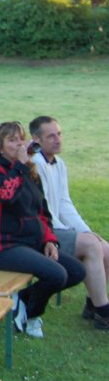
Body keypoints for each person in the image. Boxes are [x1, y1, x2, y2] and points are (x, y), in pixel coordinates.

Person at [0, 121, 85, 338]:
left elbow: (42, 211)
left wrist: (49, 240)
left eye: (21, 139)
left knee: (76, 271)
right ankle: (32, 316)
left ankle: (23, 301)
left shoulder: (28, 172)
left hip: (28, 242)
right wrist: (21, 166)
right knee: (56, 274)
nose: (19, 144)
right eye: (12, 140)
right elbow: (7, 194)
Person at [29, 115, 109, 331]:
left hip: (59, 228)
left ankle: (93, 305)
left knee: (104, 248)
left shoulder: (59, 164)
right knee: (91, 246)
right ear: (36, 139)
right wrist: (77, 235)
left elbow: (65, 204)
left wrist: (86, 231)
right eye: (51, 136)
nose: (58, 139)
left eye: (59, 134)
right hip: (45, 232)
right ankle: (104, 313)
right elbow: (43, 210)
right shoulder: (34, 165)